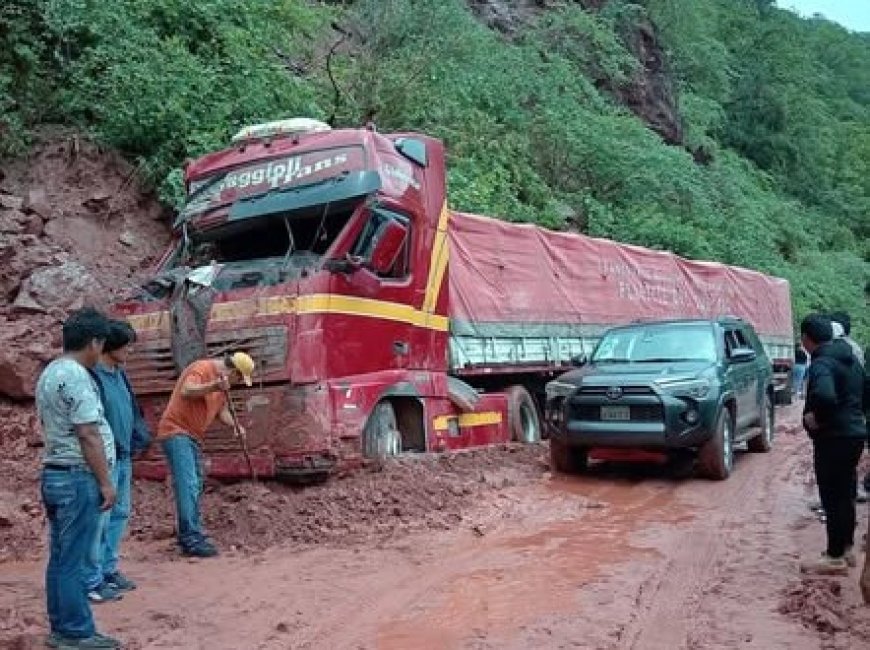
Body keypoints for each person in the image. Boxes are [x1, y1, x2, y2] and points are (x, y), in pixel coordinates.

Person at [36, 308, 120, 649]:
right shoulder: (77, 375)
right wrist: (105, 482)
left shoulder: (51, 371)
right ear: (95, 342)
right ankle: (75, 632)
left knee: (61, 558)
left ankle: (63, 626)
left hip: (56, 475)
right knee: (72, 558)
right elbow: (87, 433)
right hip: (77, 477)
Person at [157, 351, 255, 557]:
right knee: (188, 483)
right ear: (234, 372)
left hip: (192, 436)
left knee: (196, 481)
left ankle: (190, 530)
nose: (236, 383)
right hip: (176, 431)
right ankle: (190, 538)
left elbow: (222, 411)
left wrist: (235, 425)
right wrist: (214, 386)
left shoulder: (222, 386)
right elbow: (187, 390)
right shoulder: (202, 369)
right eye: (239, 378)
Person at [85, 320, 152, 602]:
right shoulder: (92, 377)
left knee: (119, 515)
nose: (130, 351)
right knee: (100, 519)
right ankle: (92, 578)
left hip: (124, 455)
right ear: (110, 346)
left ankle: (108, 570)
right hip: (106, 457)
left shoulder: (120, 374)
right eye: (127, 346)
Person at [799, 314, 867, 575]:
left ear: (806, 339)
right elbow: (866, 392)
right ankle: (847, 549)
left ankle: (834, 556)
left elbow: (825, 395)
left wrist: (817, 419)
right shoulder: (851, 358)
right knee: (845, 493)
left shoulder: (822, 362)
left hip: (834, 438)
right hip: (853, 434)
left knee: (832, 496)